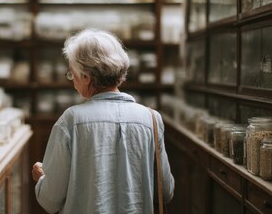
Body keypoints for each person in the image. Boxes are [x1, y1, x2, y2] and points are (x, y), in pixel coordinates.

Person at [32, 28, 175, 214]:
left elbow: (50, 200)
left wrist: (43, 179)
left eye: (71, 73)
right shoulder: (151, 119)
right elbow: (165, 192)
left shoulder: (71, 120)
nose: (72, 80)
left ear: (85, 76)